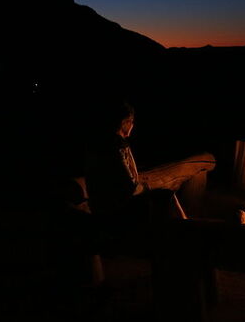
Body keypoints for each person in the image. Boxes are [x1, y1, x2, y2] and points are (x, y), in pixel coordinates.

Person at [84, 100, 214, 252]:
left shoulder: (98, 143)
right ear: (124, 122)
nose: (132, 126)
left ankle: (183, 232)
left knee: (163, 195)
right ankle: (186, 235)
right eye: (131, 122)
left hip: (102, 206)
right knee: (165, 195)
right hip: (114, 211)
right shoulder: (117, 147)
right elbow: (129, 187)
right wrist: (147, 187)